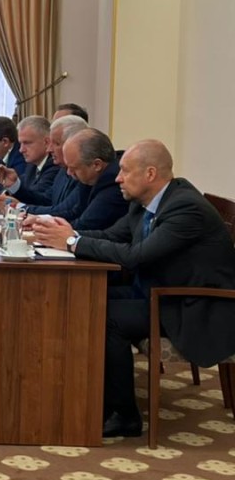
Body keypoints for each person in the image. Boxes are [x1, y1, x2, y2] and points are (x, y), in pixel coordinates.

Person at [34, 140, 235, 437]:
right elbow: (111, 236)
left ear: (150, 174)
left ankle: (124, 415)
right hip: (158, 291)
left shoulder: (185, 208)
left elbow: (135, 256)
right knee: (85, 299)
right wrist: (65, 234)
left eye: (125, 171)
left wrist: (73, 242)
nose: (117, 178)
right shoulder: (145, 202)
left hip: (194, 305)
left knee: (107, 318)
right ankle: (85, 395)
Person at [58, 128, 129, 231]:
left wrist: (50, 230)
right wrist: (42, 221)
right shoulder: (90, 178)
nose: (69, 172)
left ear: (97, 165)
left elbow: (85, 225)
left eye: (74, 168)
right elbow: (76, 212)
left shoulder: (113, 184)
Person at [0, 115, 58, 205]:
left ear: (46, 142)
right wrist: (6, 193)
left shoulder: (54, 165)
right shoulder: (32, 165)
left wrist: (8, 200)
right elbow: (23, 189)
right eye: (20, 143)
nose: (21, 150)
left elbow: (37, 199)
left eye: (27, 143)